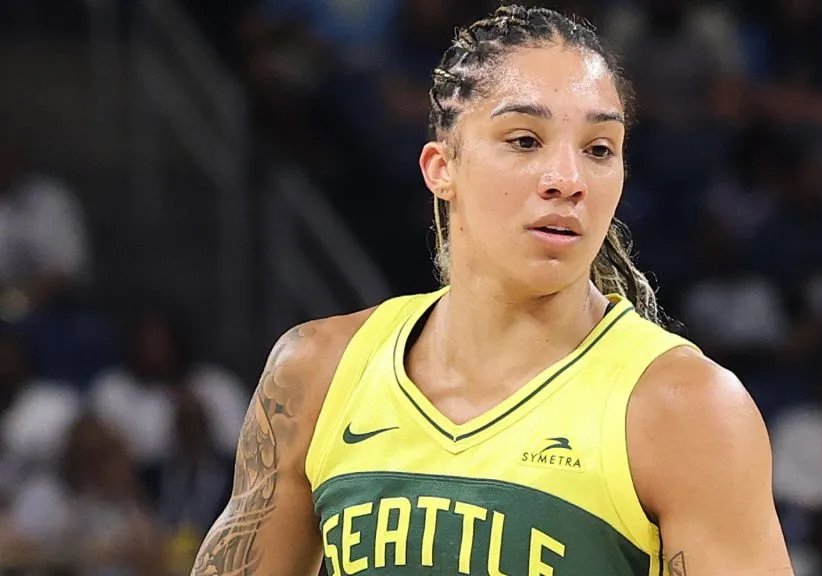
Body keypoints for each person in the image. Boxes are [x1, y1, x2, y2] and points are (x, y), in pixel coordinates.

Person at [190, 5, 791, 575]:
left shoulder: (685, 407)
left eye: (599, 149)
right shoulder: (318, 372)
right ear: (440, 167)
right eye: (525, 141)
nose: (567, 180)